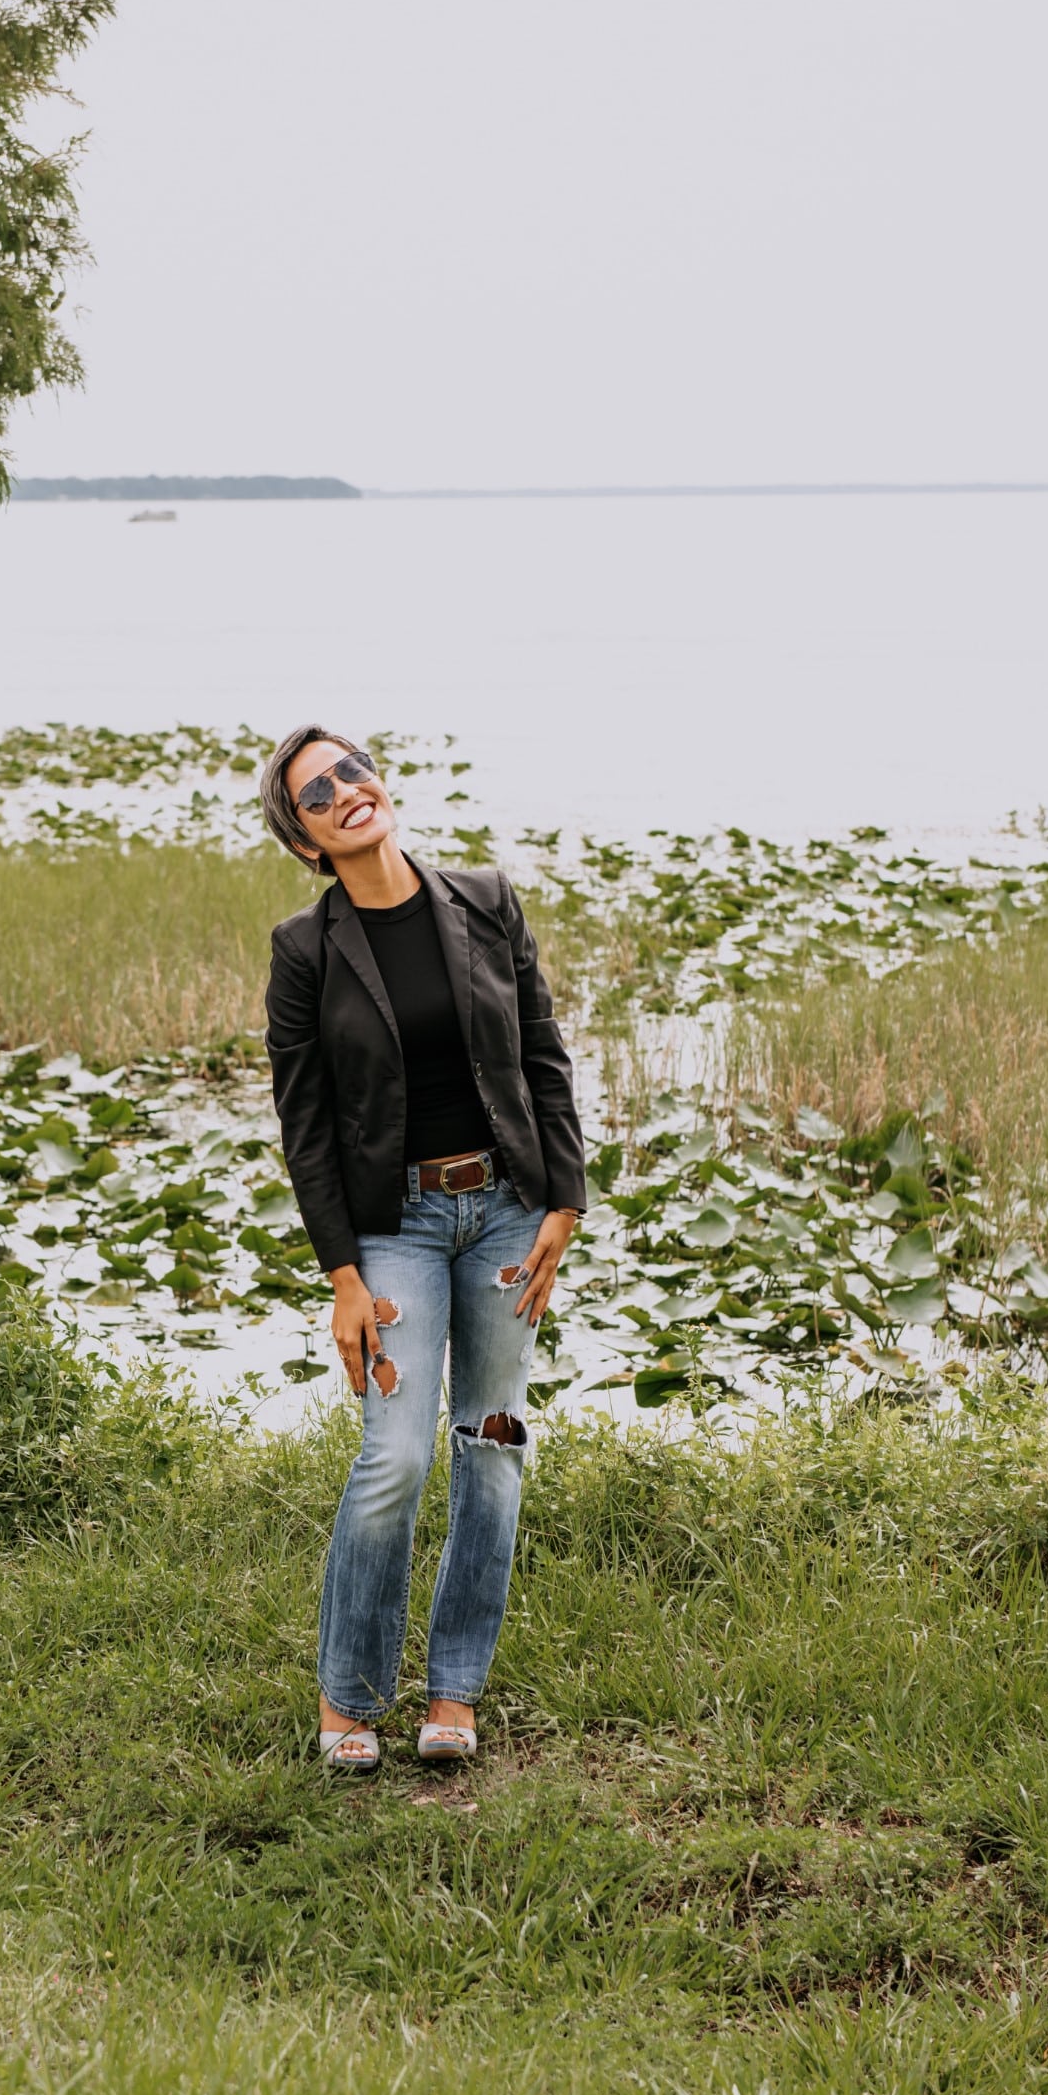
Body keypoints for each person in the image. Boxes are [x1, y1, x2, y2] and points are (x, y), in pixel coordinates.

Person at [260, 726, 586, 1773]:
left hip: (504, 1212)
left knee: (492, 1443)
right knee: (394, 1455)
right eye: (317, 794)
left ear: (380, 780)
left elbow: (541, 1052)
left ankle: (453, 1692)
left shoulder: (484, 900)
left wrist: (564, 1198)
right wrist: (342, 1278)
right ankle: (348, 1696)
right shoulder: (306, 952)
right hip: (392, 1225)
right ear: (305, 841)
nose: (346, 791)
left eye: (351, 769)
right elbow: (306, 1125)